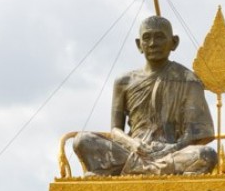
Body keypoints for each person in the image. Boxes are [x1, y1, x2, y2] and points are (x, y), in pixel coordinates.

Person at [73, 15, 217, 176]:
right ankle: (153, 171)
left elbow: (196, 134)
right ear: (139, 44)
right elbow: (115, 129)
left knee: (206, 155)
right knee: (82, 140)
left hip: (172, 152)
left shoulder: (188, 80)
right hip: (134, 151)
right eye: (147, 38)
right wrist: (132, 143)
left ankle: (132, 170)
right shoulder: (124, 81)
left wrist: (169, 149)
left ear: (174, 42)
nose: (153, 43)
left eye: (160, 37)